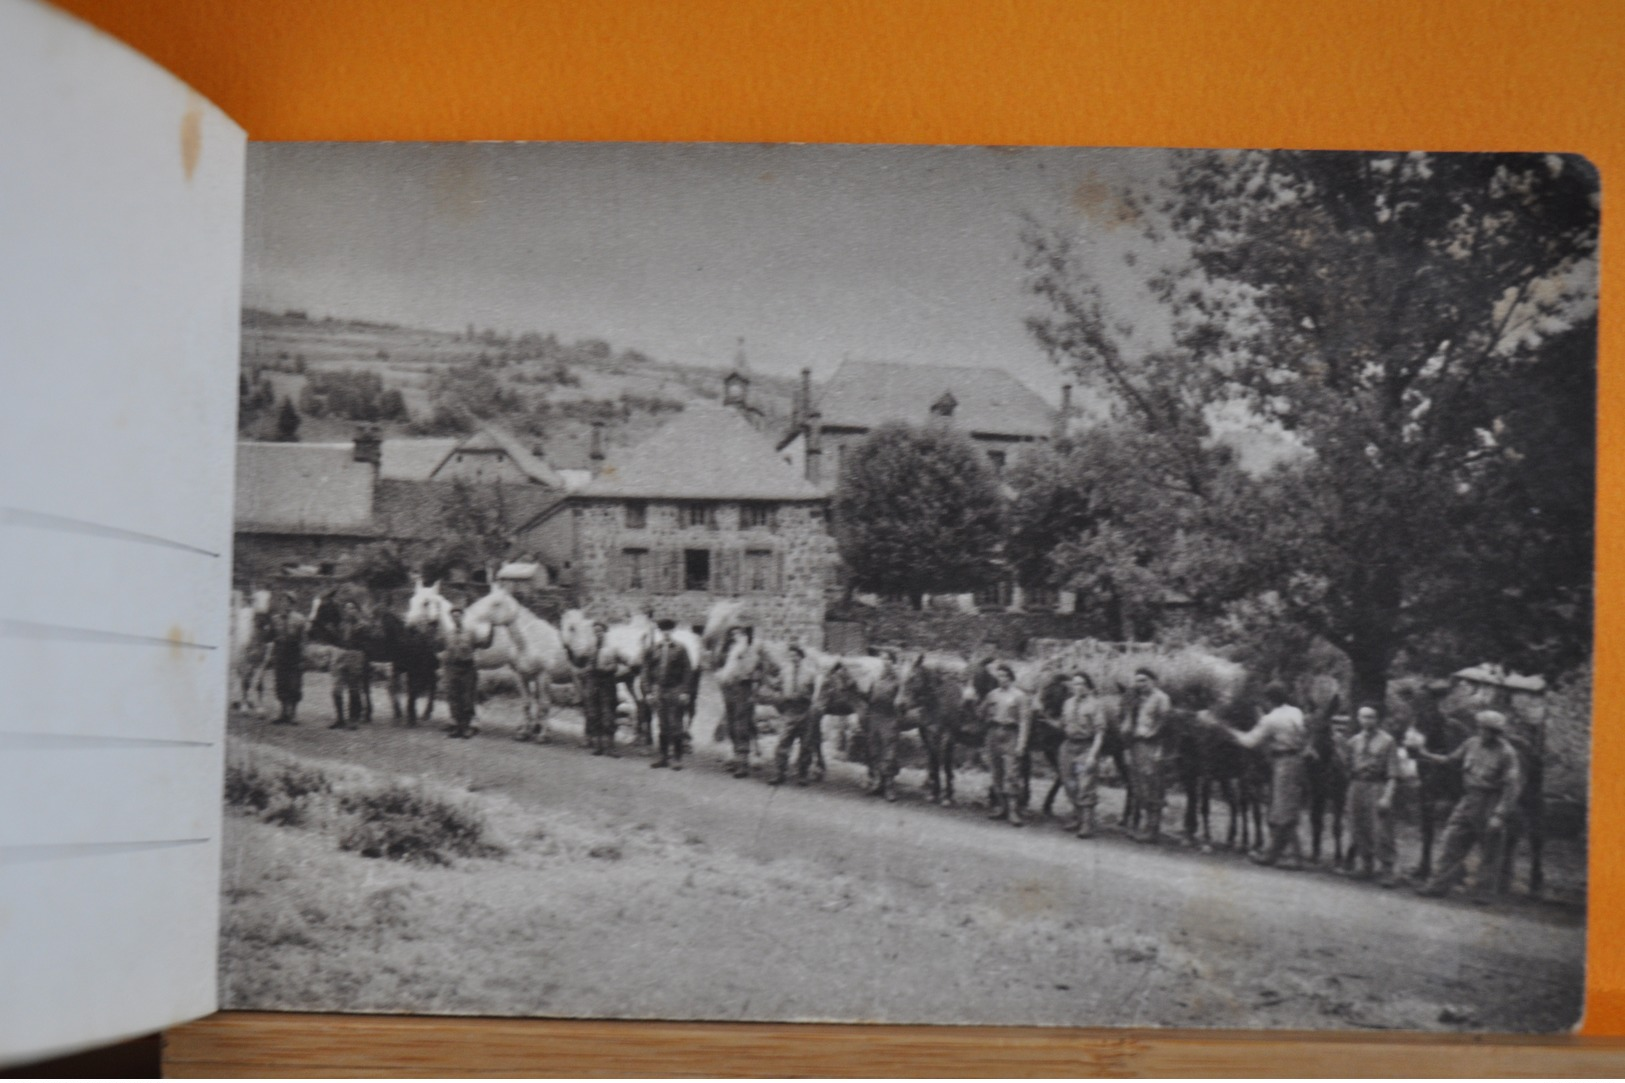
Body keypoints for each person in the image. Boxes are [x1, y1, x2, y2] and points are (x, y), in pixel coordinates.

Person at [1412, 710, 1523, 899]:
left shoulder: (1507, 754)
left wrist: (1499, 815)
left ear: (1496, 732)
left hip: (1491, 802)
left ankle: (1484, 892)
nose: (1481, 732)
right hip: (1469, 800)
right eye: (1480, 728)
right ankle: (1437, 886)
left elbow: (1512, 787)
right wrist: (1425, 755)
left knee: (1490, 850)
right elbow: (1451, 760)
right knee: (1450, 842)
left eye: (1486, 729)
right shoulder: (1471, 744)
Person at [1223, 684, 1309, 868]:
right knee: (1286, 807)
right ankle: (1275, 854)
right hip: (1297, 760)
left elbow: (1249, 742)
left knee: (1282, 809)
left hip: (1283, 761)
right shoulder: (1295, 711)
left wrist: (1227, 729)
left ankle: (1292, 857)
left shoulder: (1271, 719)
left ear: (1269, 700)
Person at [1340, 703, 1401, 886]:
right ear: (1358, 719)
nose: (1367, 721)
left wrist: (1387, 797)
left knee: (1381, 829)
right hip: (1357, 785)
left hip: (1377, 786)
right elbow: (1347, 767)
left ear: (1378, 719)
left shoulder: (1387, 741)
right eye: (1363, 717)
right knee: (1358, 825)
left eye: (1371, 717)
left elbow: (1393, 774)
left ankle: (1387, 869)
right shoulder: (1354, 742)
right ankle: (1365, 865)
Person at [1123, 667, 1173, 843]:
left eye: (1144, 680)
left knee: (1153, 786)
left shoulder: (1161, 699)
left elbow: (1165, 725)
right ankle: (1144, 825)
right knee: (1139, 786)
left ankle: (1153, 830)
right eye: (1138, 680)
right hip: (1137, 745)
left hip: (1153, 746)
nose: (1141, 684)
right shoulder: (1136, 699)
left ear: (1153, 681)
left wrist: (1159, 748)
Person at [1057, 672, 1107, 838]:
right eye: (1075, 684)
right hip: (1068, 746)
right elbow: (1062, 725)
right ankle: (1077, 817)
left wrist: (1093, 754)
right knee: (1069, 782)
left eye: (1081, 684)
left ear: (1087, 686)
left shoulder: (1095, 705)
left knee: (1086, 783)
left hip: (1086, 746)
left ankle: (1087, 824)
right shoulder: (1067, 703)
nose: (1077, 687)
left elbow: (1100, 732)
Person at [980, 664, 1031, 827]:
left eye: (1004, 676)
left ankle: (1013, 810)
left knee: (1012, 772)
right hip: (993, 732)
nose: (1001, 679)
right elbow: (981, 711)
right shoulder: (992, 694)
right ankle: (1001, 807)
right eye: (999, 676)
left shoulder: (1020, 696)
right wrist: (984, 710)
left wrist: (1022, 743)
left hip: (1011, 734)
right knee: (996, 772)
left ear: (1011, 677)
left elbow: (1024, 721)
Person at [647, 619, 694, 770]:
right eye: (663, 630)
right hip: (659, 689)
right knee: (662, 724)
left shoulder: (680, 648)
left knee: (676, 725)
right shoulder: (654, 648)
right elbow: (646, 671)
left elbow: (687, 671)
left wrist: (685, 691)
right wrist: (648, 691)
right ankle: (663, 756)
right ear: (660, 632)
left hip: (675, 689)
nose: (666, 633)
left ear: (672, 631)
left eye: (668, 630)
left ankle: (677, 758)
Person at [770, 642, 819, 786]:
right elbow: (776, 685)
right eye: (791, 655)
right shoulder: (785, 671)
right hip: (789, 711)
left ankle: (802, 775)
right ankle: (779, 773)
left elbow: (816, 692)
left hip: (805, 711)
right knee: (783, 743)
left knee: (806, 745)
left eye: (795, 655)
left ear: (801, 656)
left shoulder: (810, 672)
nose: (793, 658)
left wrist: (806, 698)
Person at [718, 625, 764, 778]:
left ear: (745, 635)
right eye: (733, 634)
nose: (735, 636)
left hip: (744, 689)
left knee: (741, 724)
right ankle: (736, 758)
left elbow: (756, 671)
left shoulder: (750, 650)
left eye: (739, 633)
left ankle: (743, 763)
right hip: (730, 689)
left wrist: (753, 687)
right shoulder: (732, 650)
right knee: (731, 723)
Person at [441, 605, 491, 739]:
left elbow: (484, 644)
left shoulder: (471, 632)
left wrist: (491, 629)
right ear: (451, 618)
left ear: (462, 617)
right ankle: (456, 727)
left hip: (467, 668)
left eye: (458, 615)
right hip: (452, 668)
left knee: (467, 698)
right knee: (454, 697)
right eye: (453, 616)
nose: (456, 618)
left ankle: (467, 727)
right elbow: (442, 649)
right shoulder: (448, 634)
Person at [865, 649, 904, 801]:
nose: (885, 662)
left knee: (889, 754)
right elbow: (868, 696)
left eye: (888, 659)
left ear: (893, 662)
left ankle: (889, 786)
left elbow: (902, 702)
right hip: (875, 717)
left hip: (889, 718)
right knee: (874, 751)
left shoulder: (898, 680)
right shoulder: (875, 677)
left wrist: (896, 718)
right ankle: (877, 782)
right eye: (883, 659)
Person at [328, 599, 371, 730]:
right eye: (347, 608)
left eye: (352, 608)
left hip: (356, 656)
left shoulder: (363, 626)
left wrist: (361, 658)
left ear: (357, 611)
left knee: (354, 689)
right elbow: (338, 641)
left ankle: (353, 720)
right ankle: (340, 718)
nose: (349, 611)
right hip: (342, 655)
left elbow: (367, 645)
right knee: (336, 689)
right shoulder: (342, 626)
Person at [582, 620, 621, 757]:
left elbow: (616, 666)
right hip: (593, 683)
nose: (598, 634)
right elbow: (584, 663)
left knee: (608, 715)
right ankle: (598, 746)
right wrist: (587, 669)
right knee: (594, 714)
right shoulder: (591, 647)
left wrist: (605, 668)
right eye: (595, 632)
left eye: (600, 631)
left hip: (607, 683)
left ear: (605, 631)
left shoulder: (612, 647)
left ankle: (610, 747)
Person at [267, 594, 307, 725]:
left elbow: (303, 640)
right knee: (281, 684)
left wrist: (303, 659)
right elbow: (270, 637)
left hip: (294, 655)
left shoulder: (300, 619)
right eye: (282, 602)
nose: (284, 605)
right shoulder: (275, 619)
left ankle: (293, 715)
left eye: (287, 602)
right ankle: (283, 713)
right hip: (280, 654)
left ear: (292, 604)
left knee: (295, 685)